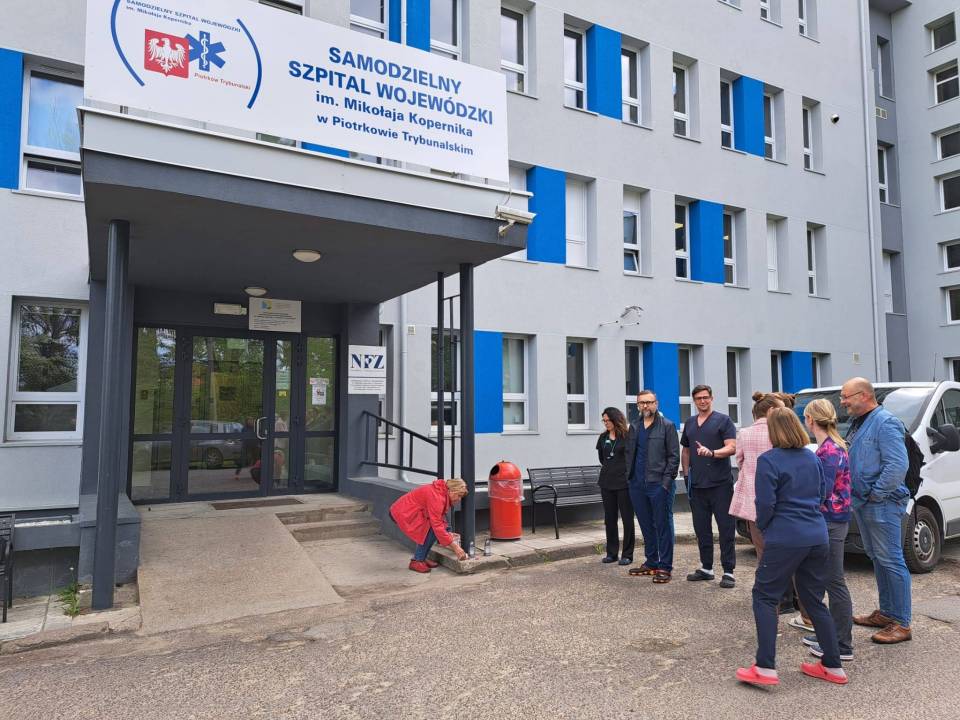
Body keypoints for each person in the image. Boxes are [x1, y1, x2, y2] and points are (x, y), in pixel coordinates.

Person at [736, 408, 847, 687]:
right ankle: (833, 665)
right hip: (817, 535)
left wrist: (767, 528)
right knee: (813, 600)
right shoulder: (812, 457)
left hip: (785, 536)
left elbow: (764, 504)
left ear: (774, 431)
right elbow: (823, 494)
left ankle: (765, 666)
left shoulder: (769, 460)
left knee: (764, 596)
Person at [841, 377, 912, 644]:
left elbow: (897, 465)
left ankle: (902, 623)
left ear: (864, 395)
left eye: (846, 396)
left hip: (882, 503)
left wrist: (876, 494)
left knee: (891, 560)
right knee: (878, 558)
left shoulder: (886, 422)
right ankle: (887, 613)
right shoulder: (859, 422)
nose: (842, 402)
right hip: (864, 502)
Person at [800, 398, 855, 662]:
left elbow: (822, 490)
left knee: (834, 581)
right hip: (833, 519)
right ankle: (829, 634)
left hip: (831, 521)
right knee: (827, 579)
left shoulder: (828, 452)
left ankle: (842, 645)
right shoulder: (831, 446)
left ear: (811, 420)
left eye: (805, 417)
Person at [681, 385, 738, 588]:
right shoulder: (689, 423)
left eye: (705, 397)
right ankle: (706, 568)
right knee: (701, 529)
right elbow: (686, 451)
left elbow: (732, 447)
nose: (702, 401)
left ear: (711, 398)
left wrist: (712, 453)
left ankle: (729, 571)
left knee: (725, 528)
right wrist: (686, 474)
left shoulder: (723, 420)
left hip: (720, 485)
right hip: (697, 485)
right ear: (694, 401)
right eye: (698, 398)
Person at [624, 390, 680, 583]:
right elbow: (629, 454)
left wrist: (666, 483)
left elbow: (674, 457)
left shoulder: (667, 426)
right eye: (641, 403)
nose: (645, 406)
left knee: (663, 526)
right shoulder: (634, 426)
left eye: (649, 402)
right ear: (638, 405)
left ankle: (665, 566)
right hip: (637, 484)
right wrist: (630, 478)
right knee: (646, 525)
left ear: (656, 403)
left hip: (659, 485)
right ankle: (651, 562)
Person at [729, 392, 784, 560]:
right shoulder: (780, 432)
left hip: (753, 499)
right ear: (771, 410)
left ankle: (764, 575)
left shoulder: (744, 433)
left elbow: (740, 461)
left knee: (761, 550)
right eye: (781, 410)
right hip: (779, 496)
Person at [389, 478, 469, 573]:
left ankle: (422, 557)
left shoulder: (441, 491)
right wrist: (456, 547)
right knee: (430, 530)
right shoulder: (437, 498)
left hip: (408, 511)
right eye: (459, 496)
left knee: (433, 529)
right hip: (404, 513)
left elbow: (439, 519)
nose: (459, 499)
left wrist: (447, 533)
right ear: (452, 491)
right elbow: (437, 526)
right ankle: (417, 561)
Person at [596, 407, 635, 565]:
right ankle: (612, 553)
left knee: (627, 519)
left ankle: (627, 554)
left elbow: (632, 458)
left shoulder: (627, 436)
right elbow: (601, 458)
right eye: (604, 421)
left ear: (616, 420)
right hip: (606, 482)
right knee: (610, 519)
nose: (606, 423)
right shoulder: (603, 437)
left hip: (624, 483)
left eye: (608, 420)